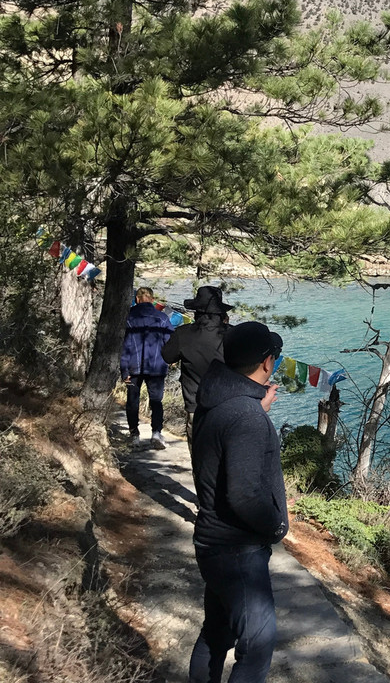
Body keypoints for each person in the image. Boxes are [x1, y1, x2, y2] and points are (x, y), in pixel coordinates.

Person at [188, 321, 286, 683]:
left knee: (217, 633)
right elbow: (244, 494)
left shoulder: (217, 400)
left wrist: (257, 411)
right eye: (273, 357)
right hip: (237, 550)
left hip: (213, 543)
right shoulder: (246, 416)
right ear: (266, 363)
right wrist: (276, 526)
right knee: (257, 646)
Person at [160, 285, 233, 446]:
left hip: (196, 407)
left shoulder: (183, 333)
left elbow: (167, 356)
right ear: (220, 312)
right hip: (228, 407)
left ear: (196, 311)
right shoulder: (232, 334)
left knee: (200, 462)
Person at [120, 286, 174, 449]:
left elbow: (125, 346)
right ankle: (156, 433)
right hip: (157, 366)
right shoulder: (163, 317)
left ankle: (134, 434)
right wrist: (170, 359)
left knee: (132, 401)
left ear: (137, 299)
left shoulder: (128, 317)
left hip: (133, 366)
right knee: (156, 401)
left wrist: (124, 370)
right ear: (152, 299)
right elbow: (169, 342)